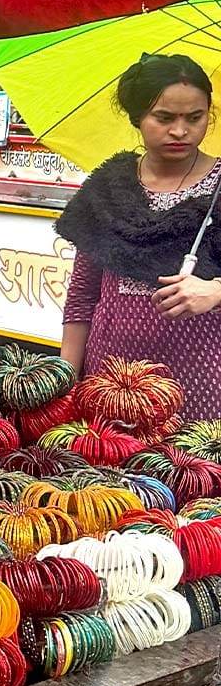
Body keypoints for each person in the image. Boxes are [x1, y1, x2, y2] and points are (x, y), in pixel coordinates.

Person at [58, 54, 221, 418]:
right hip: (109, 379)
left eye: (194, 118)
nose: (180, 131)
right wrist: (66, 381)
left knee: (190, 474)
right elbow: (83, 296)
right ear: (137, 118)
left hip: (200, 381)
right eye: (164, 118)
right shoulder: (107, 190)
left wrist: (214, 291)